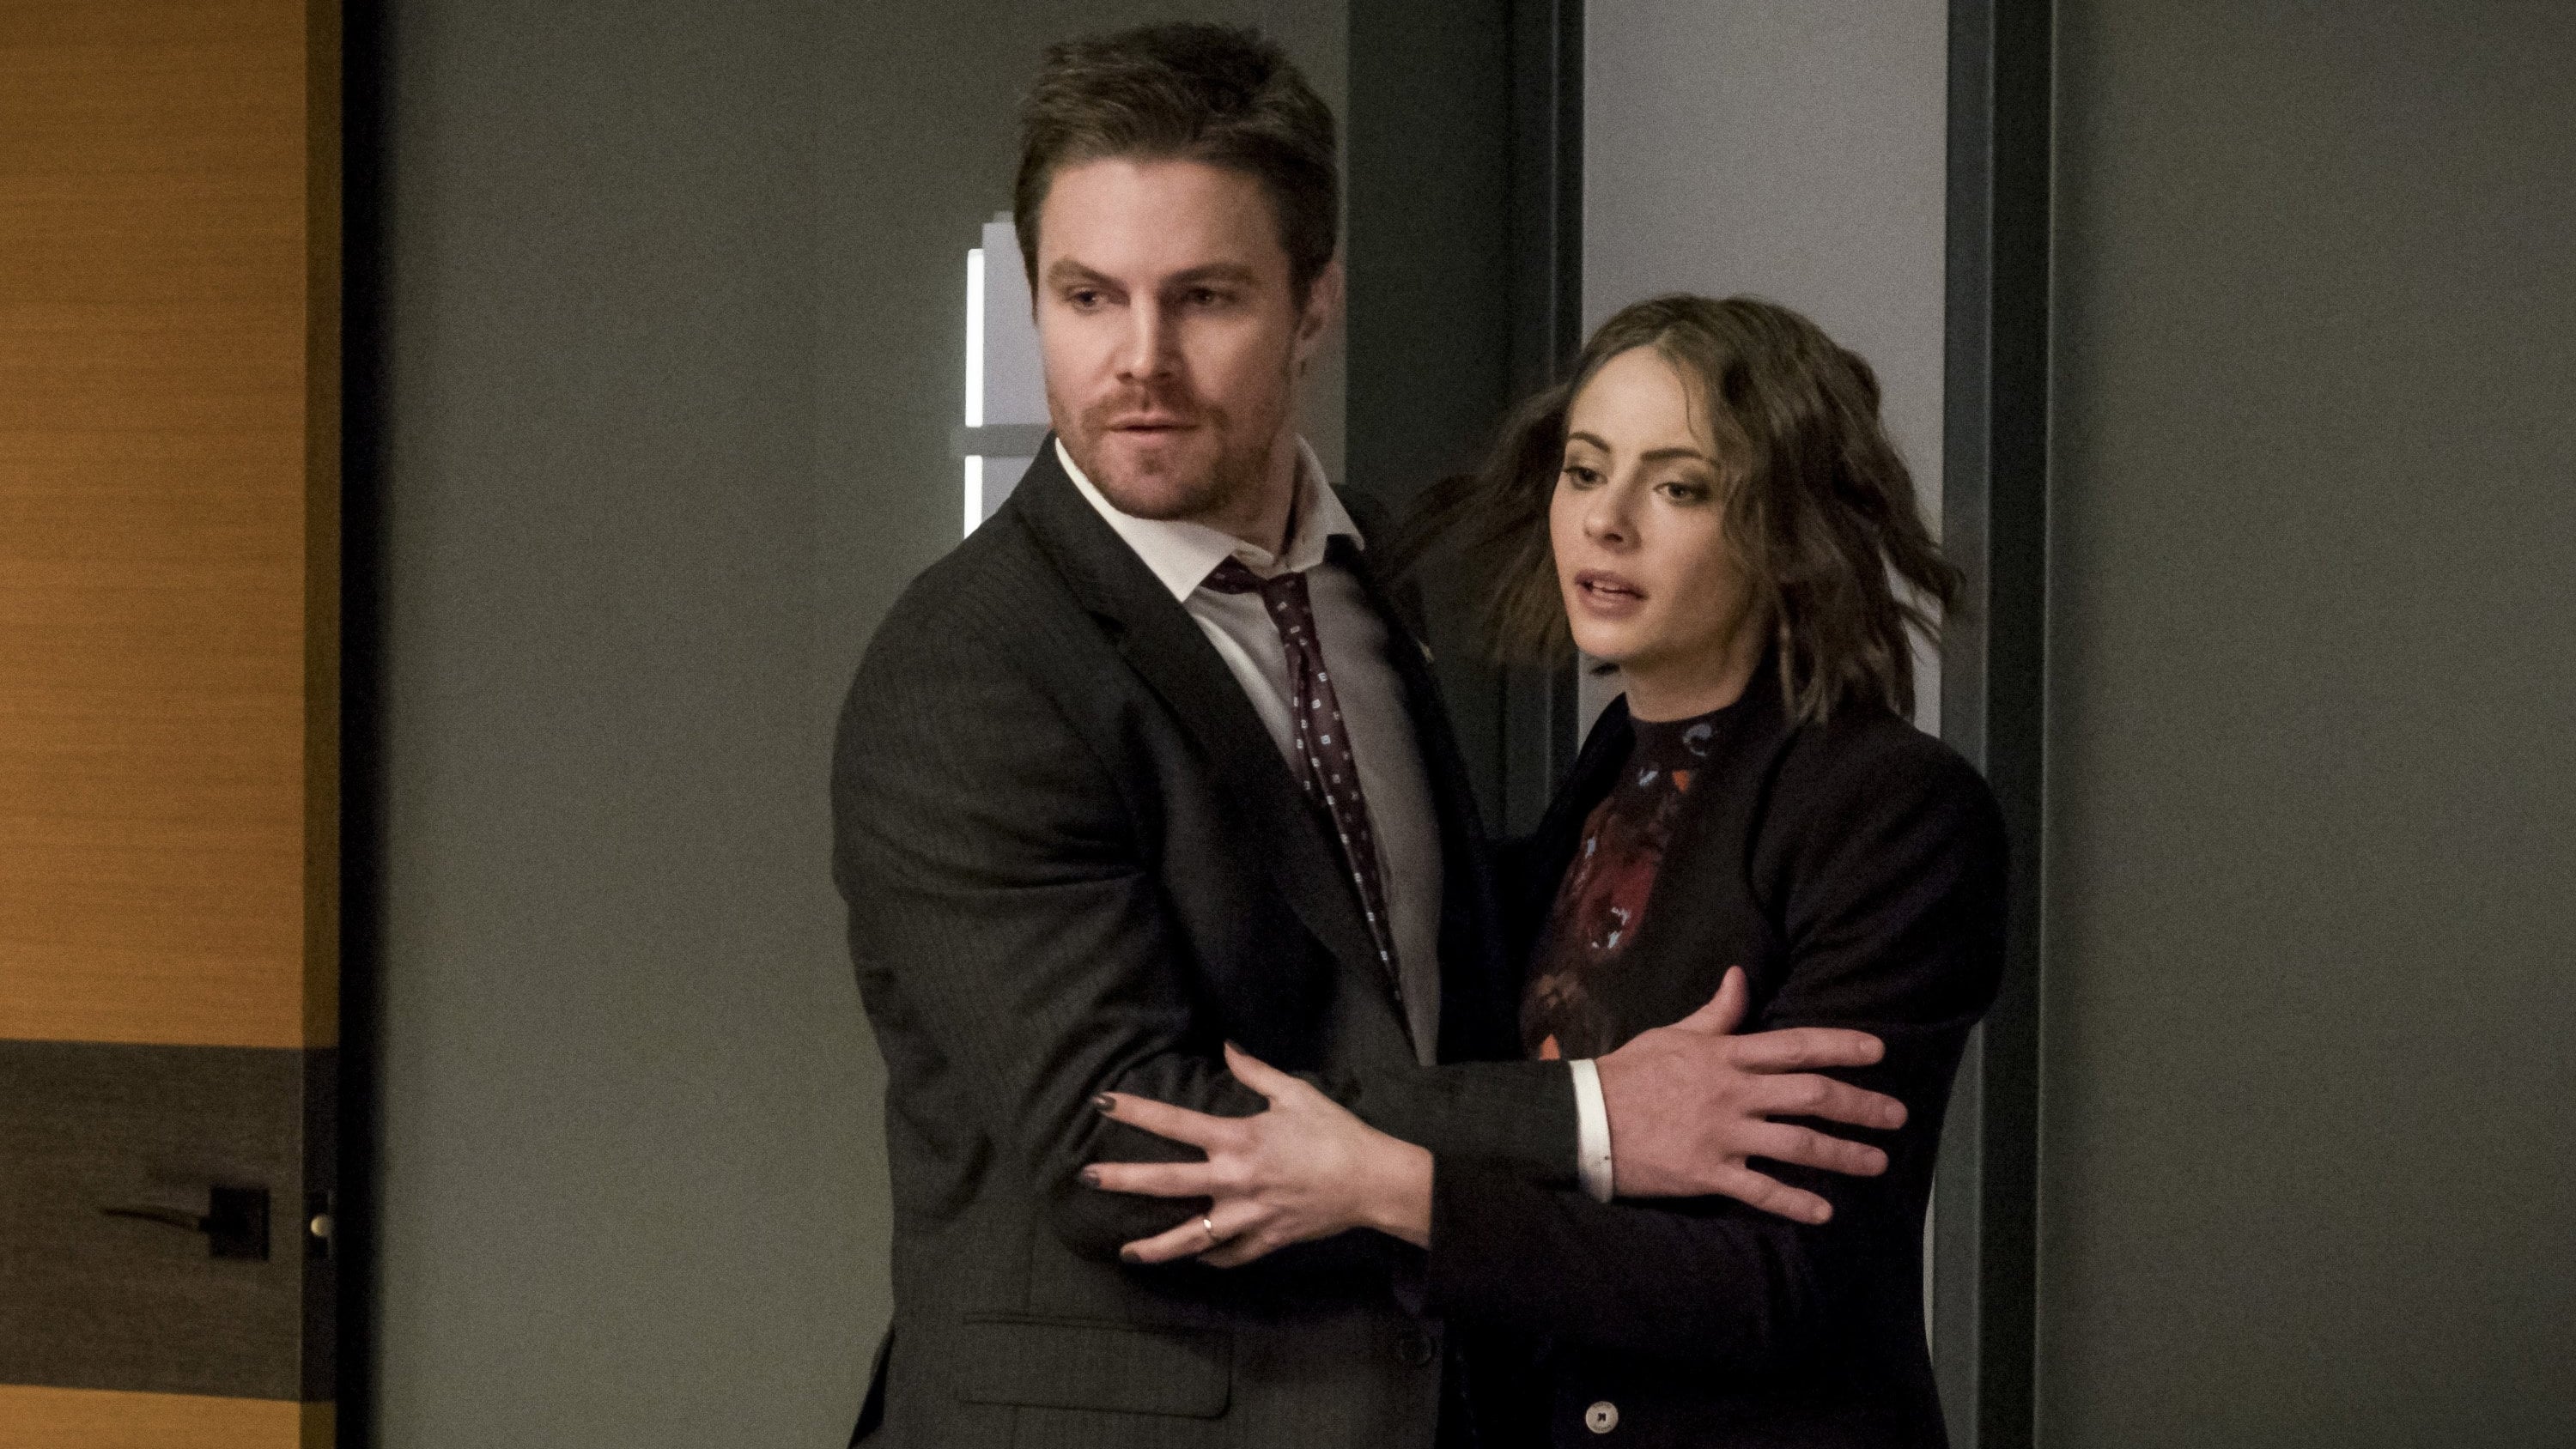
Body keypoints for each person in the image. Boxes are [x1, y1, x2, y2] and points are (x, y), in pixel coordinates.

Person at [832, 26, 1912, 1448]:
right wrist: (1592, 1121)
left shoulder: (1366, 577)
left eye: (1205, 298)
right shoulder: (969, 666)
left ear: (1315, 304)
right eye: (1088, 297)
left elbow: (1411, 977)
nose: (1139, 360)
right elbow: (1127, 1145)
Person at [1089, 294, 2008, 1447]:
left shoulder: (1895, 811)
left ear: (1787, 531)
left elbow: (1782, 1283)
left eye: (1680, 488)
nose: (1606, 522)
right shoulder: (1618, 767)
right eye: (1585, 471)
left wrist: (1389, 1187)